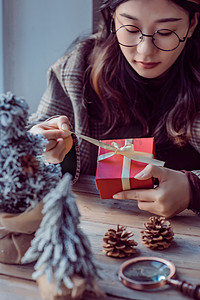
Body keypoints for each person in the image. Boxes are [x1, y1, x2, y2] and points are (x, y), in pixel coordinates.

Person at [30, 0, 200, 218]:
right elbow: (29, 144)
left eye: (166, 32)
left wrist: (193, 189)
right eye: (130, 29)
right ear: (112, 17)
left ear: (193, 23)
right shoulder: (77, 69)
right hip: (94, 227)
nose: (145, 50)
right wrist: (44, 145)